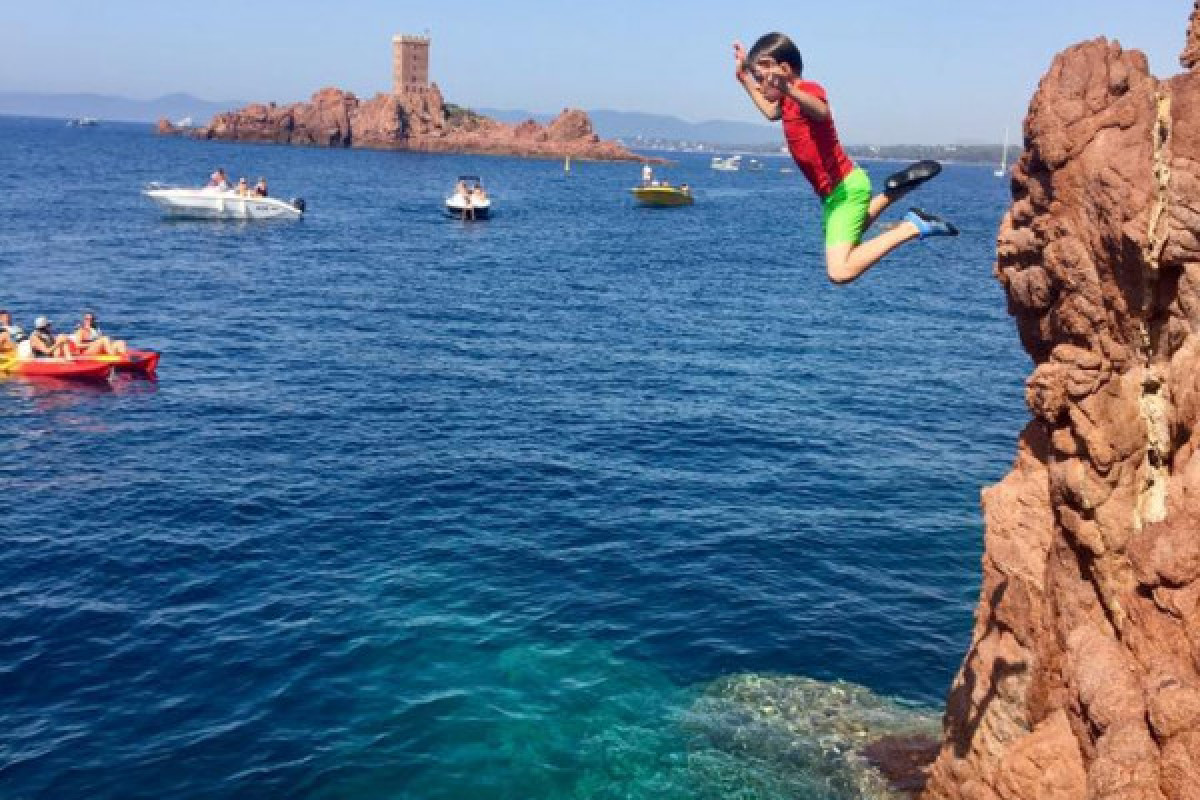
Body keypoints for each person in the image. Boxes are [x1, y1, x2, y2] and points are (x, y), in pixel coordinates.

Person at [733, 33, 957, 284]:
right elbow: (769, 113)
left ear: (784, 70)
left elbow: (821, 110)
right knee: (852, 234)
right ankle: (895, 192)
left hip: (845, 189)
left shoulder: (808, 91)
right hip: (835, 192)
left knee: (839, 272)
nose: (761, 87)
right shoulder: (785, 103)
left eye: (762, 80)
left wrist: (788, 87)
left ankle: (913, 227)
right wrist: (743, 79)